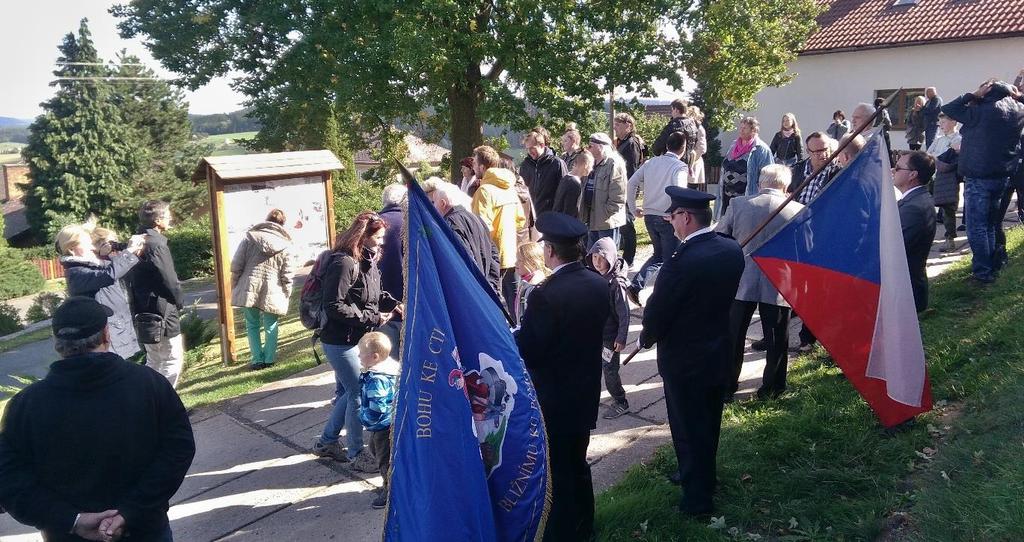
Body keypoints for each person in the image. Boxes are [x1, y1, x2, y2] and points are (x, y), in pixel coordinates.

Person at [0, 296, 195, 541]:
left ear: (56, 343)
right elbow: (178, 450)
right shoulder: (149, 384)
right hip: (146, 529)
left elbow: (9, 479)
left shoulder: (25, 406)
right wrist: (129, 511)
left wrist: (71, 520)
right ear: (106, 334)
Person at [638, 187, 744, 517]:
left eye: (672, 217)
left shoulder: (680, 263)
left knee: (686, 429)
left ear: (685, 217)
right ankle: (700, 476)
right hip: (718, 350)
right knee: (708, 423)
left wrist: (646, 337)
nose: (670, 224)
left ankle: (697, 501)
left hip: (685, 360)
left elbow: (658, 312)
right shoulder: (730, 249)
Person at [515, 212, 609, 541]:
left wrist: (514, 336)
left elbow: (531, 350)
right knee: (577, 463)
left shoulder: (546, 293)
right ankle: (585, 526)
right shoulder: (597, 282)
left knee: (557, 471)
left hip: (553, 395)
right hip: (583, 390)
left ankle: (562, 533)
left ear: (551, 251)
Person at [312, 211, 400, 471]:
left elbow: (373, 294)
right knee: (358, 393)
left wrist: (395, 305)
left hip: (356, 338)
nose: (382, 243)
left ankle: (327, 441)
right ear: (364, 236)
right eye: (379, 238)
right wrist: (370, 316)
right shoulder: (344, 263)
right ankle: (356, 453)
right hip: (340, 341)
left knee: (348, 392)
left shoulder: (368, 261)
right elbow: (334, 304)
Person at [716, 165, 804, 401]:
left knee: (733, 337)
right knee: (776, 339)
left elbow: (721, 237)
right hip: (779, 282)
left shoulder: (739, 204)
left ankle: (726, 386)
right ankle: (773, 388)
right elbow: (805, 249)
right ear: (786, 186)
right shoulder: (798, 210)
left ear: (760, 183)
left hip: (741, 278)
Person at [941, 79, 1024, 283]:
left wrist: (973, 95)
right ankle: (993, 265)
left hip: (978, 175)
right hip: (1002, 175)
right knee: (991, 224)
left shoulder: (978, 112)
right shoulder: (1018, 110)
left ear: (986, 92)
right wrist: (1016, 95)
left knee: (977, 226)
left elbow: (948, 108)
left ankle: (983, 273)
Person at [57, 224, 145, 360]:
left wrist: (105, 256)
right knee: (115, 372)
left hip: (117, 328)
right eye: (87, 244)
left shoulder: (89, 265)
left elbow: (111, 270)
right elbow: (108, 275)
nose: (92, 248)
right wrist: (130, 250)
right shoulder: (76, 273)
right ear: (72, 249)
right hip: (107, 334)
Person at [625, 131, 690, 303]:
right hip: (667, 217)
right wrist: (676, 212)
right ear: (683, 149)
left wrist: (633, 208)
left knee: (659, 255)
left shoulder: (651, 162)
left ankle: (636, 285)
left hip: (649, 214)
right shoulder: (679, 167)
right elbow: (679, 190)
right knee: (671, 260)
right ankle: (666, 297)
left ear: (667, 145)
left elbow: (631, 183)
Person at [130, 200, 186, 388]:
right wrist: (179, 301)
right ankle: (166, 403)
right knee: (171, 358)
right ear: (158, 220)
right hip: (162, 309)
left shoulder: (136, 241)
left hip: (142, 308)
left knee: (153, 360)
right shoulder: (156, 244)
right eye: (167, 215)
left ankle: (152, 402)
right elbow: (169, 280)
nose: (170, 218)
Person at [230, 209, 295, 370]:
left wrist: (235, 284)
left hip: (249, 285)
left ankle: (256, 359)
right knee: (271, 325)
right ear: (282, 224)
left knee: (252, 324)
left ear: (266, 220)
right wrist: (287, 291)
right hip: (273, 287)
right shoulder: (285, 245)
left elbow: (236, 265)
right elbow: (287, 273)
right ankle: (270, 358)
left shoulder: (249, 239)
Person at [421, 177, 501, 298]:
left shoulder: (448, 225)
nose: (432, 208)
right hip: (483, 289)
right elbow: (494, 254)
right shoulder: (476, 218)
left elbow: (463, 260)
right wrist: (492, 285)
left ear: (442, 203)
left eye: (434, 203)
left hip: (470, 293)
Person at [472, 145, 527, 319]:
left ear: (482, 167)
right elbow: (521, 219)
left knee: (494, 309)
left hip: (493, 258)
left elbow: (480, 227)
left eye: (474, 162)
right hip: (512, 255)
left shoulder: (484, 191)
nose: (473, 167)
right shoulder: (509, 188)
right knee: (514, 308)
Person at [587, 237, 631, 419]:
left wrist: (621, 337)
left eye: (601, 258)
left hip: (610, 338)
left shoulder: (616, 284)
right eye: (594, 257)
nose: (597, 262)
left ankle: (621, 401)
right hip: (595, 334)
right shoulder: (595, 277)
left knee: (610, 371)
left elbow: (624, 313)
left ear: (611, 258)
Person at [356, 331, 400, 509]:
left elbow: (378, 407)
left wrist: (363, 417)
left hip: (383, 425)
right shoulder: (388, 368)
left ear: (374, 357)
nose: (358, 355)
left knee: (384, 458)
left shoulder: (377, 379)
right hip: (386, 423)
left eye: (361, 353)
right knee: (374, 449)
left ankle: (390, 490)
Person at [893, 151, 938, 312]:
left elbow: (894, 250)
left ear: (912, 175)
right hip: (905, 289)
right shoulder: (915, 200)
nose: (893, 170)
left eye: (897, 168)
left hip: (905, 293)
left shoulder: (914, 208)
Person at [580, 132, 628, 249]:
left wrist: (607, 211)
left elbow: (619, 193)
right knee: (592, 256)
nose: (588, 148)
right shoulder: (591, 162)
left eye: (591, 146)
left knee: (606, 255)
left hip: (607, 220)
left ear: (601, 146)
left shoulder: (614, 163)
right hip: (591, 218)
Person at [927, 113, 963, 252]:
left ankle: (950, 239)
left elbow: (954, 160)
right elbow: (928, 154)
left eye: (944, 122)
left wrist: (937, 159)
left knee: (948, 209)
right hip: (934, 177)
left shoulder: (958, 139)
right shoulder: (938, 140)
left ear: (954, 122)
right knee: (929, 208)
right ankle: (928, 237)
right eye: (940, 123)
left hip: (948, 179)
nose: (941, 125)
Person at [614, 113, 643, 267]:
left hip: (627, 187)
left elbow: (631, 169)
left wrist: (628, 190)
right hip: (620, 186)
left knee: (627, 223)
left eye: (618, 125)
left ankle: (629, 258)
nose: (615, 128)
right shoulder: (621, 142)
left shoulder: (631, 143)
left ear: (628, 125)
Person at [520, 126, 568, 216]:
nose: (529, 151)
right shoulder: (525, 165)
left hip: (550, 217)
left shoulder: (557, 164)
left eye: (532, 148)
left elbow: (564, 193)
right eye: (527, 149)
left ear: (542, 145)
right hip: (529, 217)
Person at [793, 132, 842, 204]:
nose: (823, 155)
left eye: (825, 150)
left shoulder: (838, 172)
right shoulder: (797, 170)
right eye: (817, 152)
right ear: (808, 152)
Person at [514, 241, 550, 325]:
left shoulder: (535, 286)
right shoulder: (525, 282)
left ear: (533, 262)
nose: (515, 263)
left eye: (520, 260)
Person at [552, 148, 593, 218]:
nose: (591, 169)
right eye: (591, 166)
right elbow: (570, 211)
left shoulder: (566, 178)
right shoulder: (574, 184)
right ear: (585, 165)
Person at [688, 106, 708, 188]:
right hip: (687, 163)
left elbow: (702, 148)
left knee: (691, 190)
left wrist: (691, 161)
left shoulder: (699, 128)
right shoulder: (688, 127)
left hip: (694, 163)